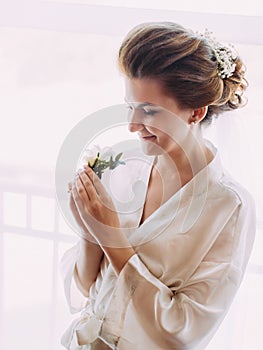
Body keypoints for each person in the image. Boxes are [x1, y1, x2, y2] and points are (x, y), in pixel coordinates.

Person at [60, 22, 256, 350]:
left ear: (196, 112)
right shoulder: (116, 164)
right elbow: (84, 287)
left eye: (149, 111)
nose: (133, 125)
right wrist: (88, 229)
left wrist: (112, 238)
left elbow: (181, 333)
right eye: (130, 106)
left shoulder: (230, 208)